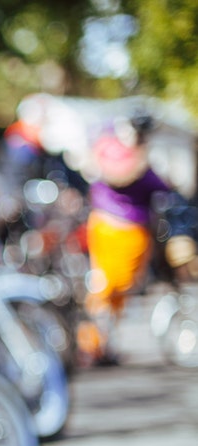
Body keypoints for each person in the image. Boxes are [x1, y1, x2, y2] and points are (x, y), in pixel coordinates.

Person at [78, 114, 172, 365]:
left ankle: (105, 343)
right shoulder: (113, 150)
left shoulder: (137, 157)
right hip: (112, 228)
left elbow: (163, 186)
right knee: (105, 288)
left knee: (117, 292)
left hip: (129, 232)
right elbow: (119, 174)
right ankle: (93, 343)